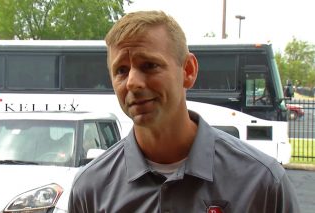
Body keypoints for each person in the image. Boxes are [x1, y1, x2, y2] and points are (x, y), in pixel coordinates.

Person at [68, 10, 300, 212]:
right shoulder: (90, 188)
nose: (132, 82)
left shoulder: (262, 182)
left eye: (149, 65)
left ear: (188, 70)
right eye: (121, 70)